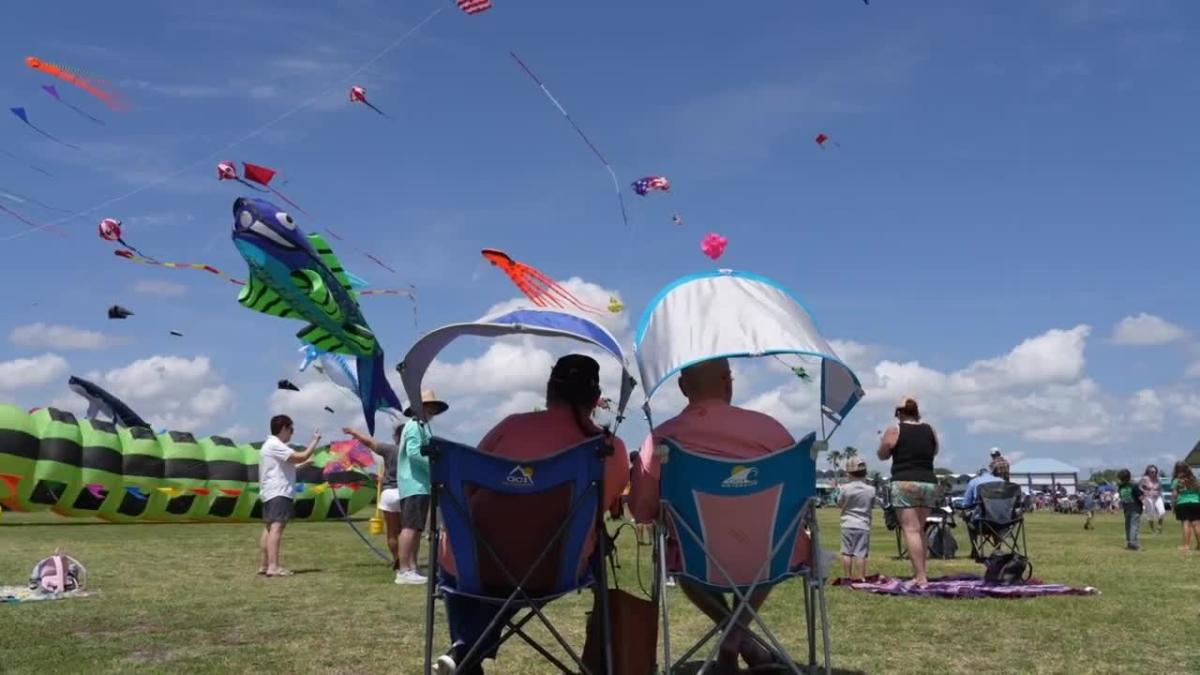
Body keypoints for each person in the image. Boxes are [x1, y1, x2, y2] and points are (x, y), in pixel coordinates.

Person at [436, 354, 629, 675]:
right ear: (596, 400)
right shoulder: (609, 448)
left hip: (474, 565)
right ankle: (465, 650)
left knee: (465, 551)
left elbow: (464, 495)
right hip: (556, 568)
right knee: (525, 571)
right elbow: (603, 508)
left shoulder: (510, 427)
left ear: (548, 392)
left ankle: (465, 649)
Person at [630, 358, 795, 673]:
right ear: (728, 381)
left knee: (681, 553)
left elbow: (641, 511)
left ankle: (736, 637)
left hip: (696, 559)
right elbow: (797, 505)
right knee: (769, 542)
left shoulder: (660, 439)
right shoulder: (772, 431)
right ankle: (740, 638)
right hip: (771, 554)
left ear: (682, 387)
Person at [877, 395, 940, 587]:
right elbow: (935, 450)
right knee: (920, 529)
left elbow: (882, 454)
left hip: (905, 481)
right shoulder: (930, 429)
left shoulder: (895, 430)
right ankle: (922, 572)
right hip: (928, 482)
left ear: (899, 413)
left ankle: (920, 577)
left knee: (910, 530)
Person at [394, 389, 449, 585]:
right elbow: (415, 453)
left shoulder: (420, 426)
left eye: (434, 408)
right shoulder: (414, 426)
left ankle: (413, 566)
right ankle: (404, 569)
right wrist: (435, 467)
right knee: (410, 527)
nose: (432, 411)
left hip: (420, 484)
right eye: (430, 407)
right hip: (414, 484)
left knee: (416, 528)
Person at [257, 415, 321, 577]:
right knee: (277, 528)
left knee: (270, 528)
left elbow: (288, 467)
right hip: (279, 492)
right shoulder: (275, 445)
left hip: (270, 492)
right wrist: (315, 441)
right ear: (284, 428)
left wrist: (304, 463)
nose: (292, 433)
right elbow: (301, 456)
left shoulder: (270, 445)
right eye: (291, 429)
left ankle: (265, 565)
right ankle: (273, 567)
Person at [343, 424, 406, 582]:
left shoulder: (390, 450)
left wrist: (354, 431)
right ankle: (407, 562)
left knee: (392, 531)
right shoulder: (413, 452)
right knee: (406, 530)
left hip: (388, 493)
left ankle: (396, 559)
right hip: (406, 493)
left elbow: (369, 442)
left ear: (396, 437)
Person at [960, 458, 1009, 560]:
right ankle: (998, 548)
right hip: (1004, 523)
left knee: (967, 517)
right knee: (995, 515)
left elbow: (965, 504)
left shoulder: (974, 482)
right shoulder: (1002, 481)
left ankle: (975, 550)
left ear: (978, 474)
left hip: (982, 523)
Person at [838, 458, 875, 581]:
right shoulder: (871, 490)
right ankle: (861, 577)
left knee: (847, 553)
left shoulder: (845, 488)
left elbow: (839, 503)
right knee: (861, 553)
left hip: (847, 523)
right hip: (863, 524)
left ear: (849, 473)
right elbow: (871, 505)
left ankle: (847, 576)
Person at [1170, 462, 1200, 551]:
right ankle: (1199, 545)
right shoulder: (1195, 480)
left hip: (1183, 503)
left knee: (1186, 524)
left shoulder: (1177, 481)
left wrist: (1173, 505)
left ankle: (1186, 545)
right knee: (1197, 524)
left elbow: (1175, 494)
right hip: (1196, 503)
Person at [1117, 469, 1143, 551]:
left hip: (1126, 508)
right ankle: (1133, 543)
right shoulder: (1134, 485)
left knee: (1128, 526)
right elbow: (1140, 497)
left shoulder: (1120, 487)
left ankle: (1129, 542)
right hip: (1135, 507)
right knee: (1134, 526)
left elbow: (1121, 497)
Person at [1139, 465, 1166, 534]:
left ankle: (1159, 527)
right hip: (1148, 497)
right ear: (1148, 472)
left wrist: (1160, 494)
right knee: (1150, 514)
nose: (1153, 473)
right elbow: (1140, 487)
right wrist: (1145, 492)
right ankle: (1152, 529)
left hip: (1157, 497)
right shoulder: (1145, 479)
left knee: (1162, 512)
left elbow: (1160, 488)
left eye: (1155, 472)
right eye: (1152, 472)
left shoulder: (1158, 479)